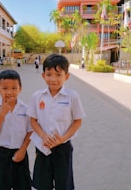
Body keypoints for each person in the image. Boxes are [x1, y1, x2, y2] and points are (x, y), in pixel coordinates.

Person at [27, 54, 86, 190]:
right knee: (41, 184)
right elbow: (33, 120)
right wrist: (43, 136)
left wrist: (62, 139)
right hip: (43, 147)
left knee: (64, 185)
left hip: (63, 149)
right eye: (49, 74)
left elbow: (77, 121)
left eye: (58, 75)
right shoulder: (37, 96)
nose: (53, 79)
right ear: (43, 76)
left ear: (66, 76)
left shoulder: (72, 96)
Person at [0, 70, 32, 190]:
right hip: (1, 155)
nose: (9, 92)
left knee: (23, 185)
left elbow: (30, 131)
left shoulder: (25, 109)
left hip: (20, 153)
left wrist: (23, 150)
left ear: (20, 89)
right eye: (5, 88)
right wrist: (1, 115)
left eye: (14, 88)